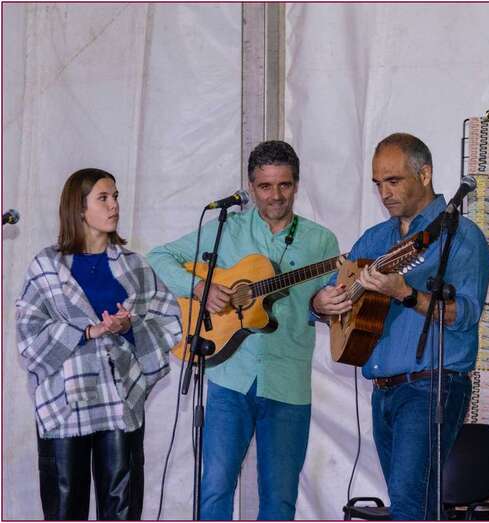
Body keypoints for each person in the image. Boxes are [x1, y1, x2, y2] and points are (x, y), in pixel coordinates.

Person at [147, 140, 339, 520]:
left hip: (287, 381)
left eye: (284, 185)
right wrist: (200, 288)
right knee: (215, 488)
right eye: (265, 186)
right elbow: (158, 257)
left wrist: (322, 306)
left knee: (280, 498)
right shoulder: (226, 230)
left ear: (297, 185)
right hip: (229, 378)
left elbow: (329, 308)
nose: (275, 196)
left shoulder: (322, 242)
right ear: (251, 187)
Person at [311, 133, 489, 520]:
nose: (384, 193)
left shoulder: (461, 237)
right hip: (384, 391)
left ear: (424, 174)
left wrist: (406, 293)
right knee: (416, 505)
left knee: (409, 506)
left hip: (431, 385)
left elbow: (465, 314)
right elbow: (329, 292)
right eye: (378, 183)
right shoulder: (376, 239)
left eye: (393, 181)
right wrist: (320, 303)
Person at [16, 168, 182, 520]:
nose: (114, 205)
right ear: (79, 208)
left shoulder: (134, 266)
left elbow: (168, 320)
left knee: (121, 507)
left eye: (116, 197)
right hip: (64, 402)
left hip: (119, 400)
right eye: (103, 198)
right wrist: (86, 332)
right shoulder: (47, 266)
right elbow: (28, 331)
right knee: (65, 508)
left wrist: (128, 327)